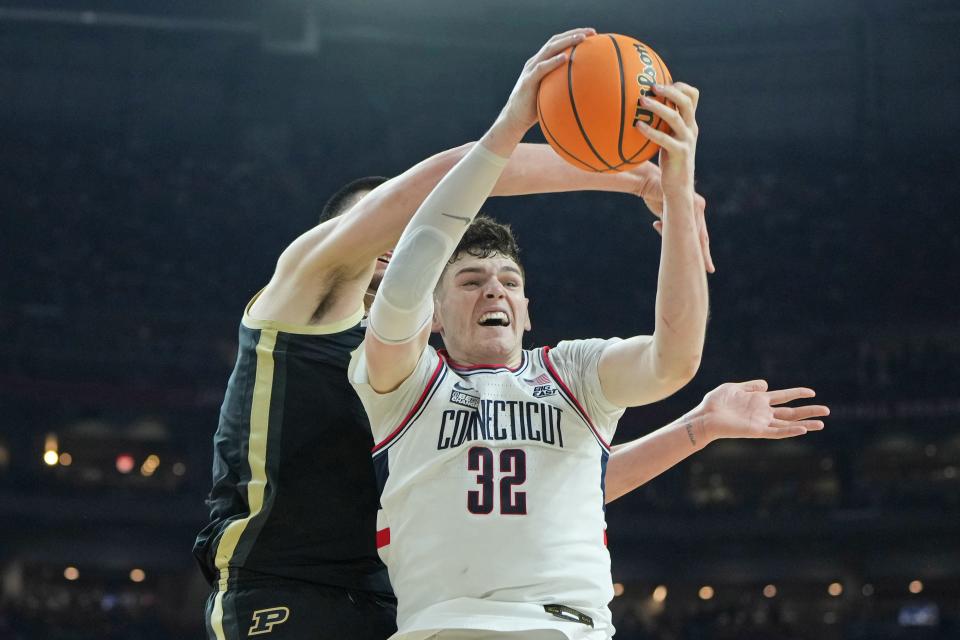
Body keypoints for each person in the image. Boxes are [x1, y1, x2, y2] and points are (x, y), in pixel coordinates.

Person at [190, 36, 713, 637]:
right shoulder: (307, 293)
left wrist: (696, 429)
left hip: (397, 602)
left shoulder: (435, 367)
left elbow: (530, 474)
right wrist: (640, 176)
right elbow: (446, 180)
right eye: (384, 221)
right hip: (285, 586)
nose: (397, 238)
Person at [348, 28, 715, 639]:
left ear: (527, 309)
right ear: (431, 314)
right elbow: (414, 261)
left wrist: (677, 190)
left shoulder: (572, 372)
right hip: (443, 629)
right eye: (470, 281)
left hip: (568, 628)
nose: (494, 290)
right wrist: (510, 127)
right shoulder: (401, 381)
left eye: (508, 281)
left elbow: (674, 358)